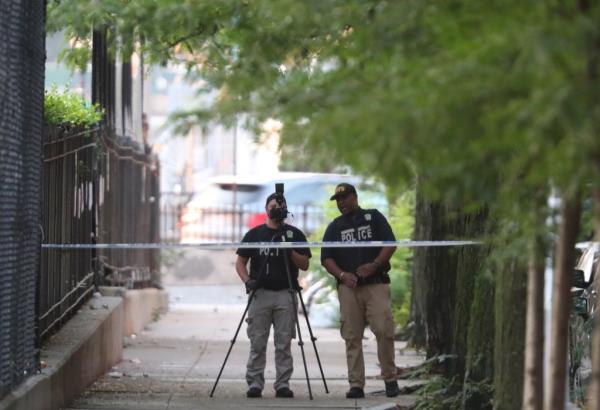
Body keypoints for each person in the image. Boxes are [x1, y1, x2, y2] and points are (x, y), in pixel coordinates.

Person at [321, 182, 401, 399]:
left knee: (383, 329)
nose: (341, 203)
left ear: (355, 197)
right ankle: (356, 384)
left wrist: (374, 264)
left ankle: (390, 379)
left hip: (376, 283)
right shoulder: (335, 227)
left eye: (345, 198)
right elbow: (326, 258)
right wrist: (342, 275)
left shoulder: (373, 217)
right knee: (352, 336)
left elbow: (390, 243)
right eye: (338, 200)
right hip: (349, 288)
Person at [235, 192, 312, 399]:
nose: (276, 210)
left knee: (284, 342)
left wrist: (288, 249)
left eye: (280, 206)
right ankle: (255, 383)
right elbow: (240, 261)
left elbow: (304, 264)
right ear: (266, 209)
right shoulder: (255, 234)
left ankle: (283, 384)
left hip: (286, 293)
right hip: (260, 294)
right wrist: (247, 281)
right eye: (272, 206)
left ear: (286, 210)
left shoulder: (294, 235)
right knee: (257, 341)